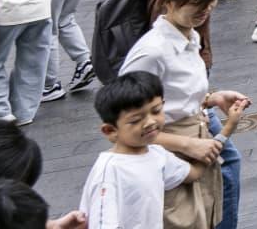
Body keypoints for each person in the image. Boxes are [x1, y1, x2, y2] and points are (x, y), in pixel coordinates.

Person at [119, 0, 250, 229]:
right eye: (195, 2)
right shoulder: (151, 52)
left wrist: (211, 98)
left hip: (196, 146)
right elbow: (124, 127)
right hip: (168, 157)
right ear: (168, 0)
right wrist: (188, 145)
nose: (205, 9)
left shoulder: (190, 37)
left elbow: (174, 95)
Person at [80, 72, 214, 229]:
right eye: (136, 120)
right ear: (110, 130)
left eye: (156, 111)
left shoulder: (157, 154)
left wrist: (220, 135)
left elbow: (193, 174)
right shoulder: (109, 171)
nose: (150, 122)